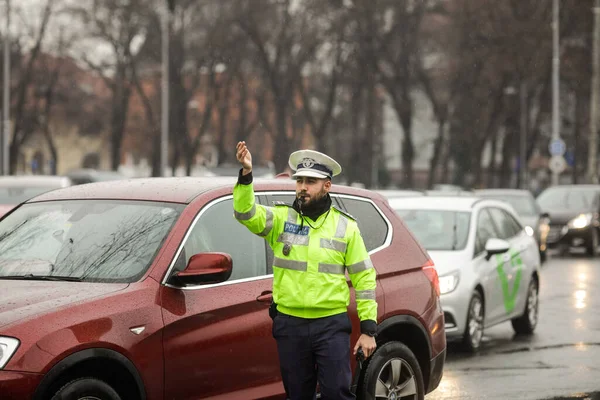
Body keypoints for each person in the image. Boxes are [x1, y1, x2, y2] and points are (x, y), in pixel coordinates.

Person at [233, 141, 378, 400]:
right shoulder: (281, 219)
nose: (302, 187)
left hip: (330, 325)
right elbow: (245, 213)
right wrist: (246, 176)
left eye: (311, 181)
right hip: (290, 325)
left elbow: (364, 277)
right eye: (299, 181)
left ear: (327, 185)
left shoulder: (346, 227)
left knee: (336, 394)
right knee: (298, 395)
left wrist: (368, 330)